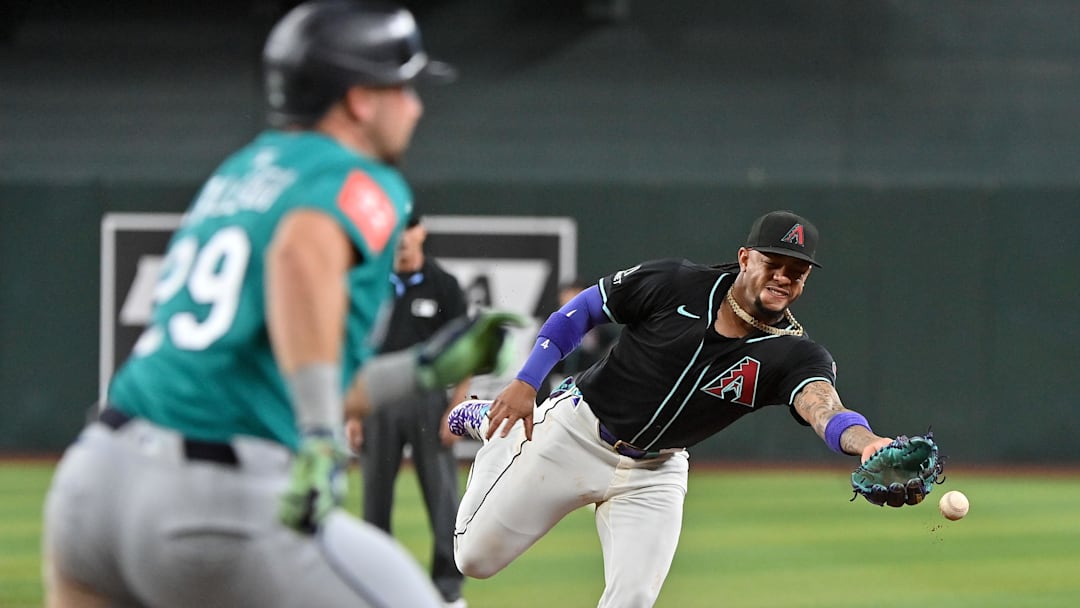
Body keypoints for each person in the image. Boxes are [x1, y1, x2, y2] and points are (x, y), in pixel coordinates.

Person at [41, 2, 523, 607]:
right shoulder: (359, 177)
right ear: (359, 100)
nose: (416, 106)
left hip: (96, 482)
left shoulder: (241, 171)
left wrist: (423, 370)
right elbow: (298, 253)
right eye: (402, 88)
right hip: (208, 496)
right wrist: (322, 437)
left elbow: (295, 375)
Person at [447, 210, 910, 607]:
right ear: (746, 257)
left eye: (799, 270)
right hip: (578, 431)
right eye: (775, 262)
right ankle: (498, 430)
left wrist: (867, 442)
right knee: (474, 560)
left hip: (656, 471)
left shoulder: (793, 353)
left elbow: (823, 407)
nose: (785, 277)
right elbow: (584, 310)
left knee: (633, 599)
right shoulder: (677, 284)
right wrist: (528, 380)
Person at [348, 212, 470, 607]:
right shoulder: (371, 284)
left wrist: (457, 405)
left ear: (421, 232)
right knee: (374, 499)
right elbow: (352, 347)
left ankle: (448, 590)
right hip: (375, 398)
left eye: (408, 229)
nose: (401, 238)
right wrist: (351, 413)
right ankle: (372, 587)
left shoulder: (444, 285)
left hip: (429, 401)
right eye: (394, 231)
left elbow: (466, 350)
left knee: (442, 497)